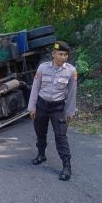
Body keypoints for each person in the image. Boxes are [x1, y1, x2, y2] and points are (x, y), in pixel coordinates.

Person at [27, 41, 77, 181]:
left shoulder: (71, 71)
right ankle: (41, 154)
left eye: (66, 55)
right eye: (60, 54)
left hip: (57, 108)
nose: (63, 57)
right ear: (53, 54)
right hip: (42, 105)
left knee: (61, 136)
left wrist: (70, 112)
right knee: (40, 131)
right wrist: (32, 107)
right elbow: (35, 88)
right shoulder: (43, 68)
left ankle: (66, 165)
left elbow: (72, 92)